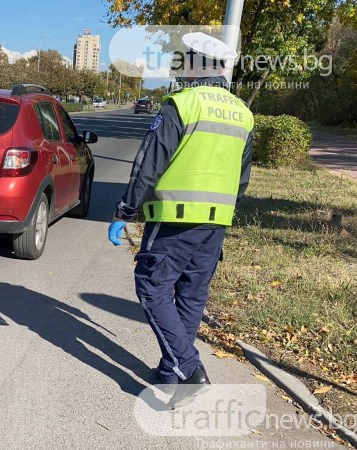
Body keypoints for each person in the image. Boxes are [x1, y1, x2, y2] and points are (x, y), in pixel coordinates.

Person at [107, 32, 254, 405]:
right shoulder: (243, 113)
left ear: (194, 64)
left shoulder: (181, 104)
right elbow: (242, 178)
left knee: (152, 287)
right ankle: (172, 371)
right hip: (216, 222)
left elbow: (148, 164)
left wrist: (125, 210)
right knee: (191, 295)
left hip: (173, 217)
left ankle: (188, 368)